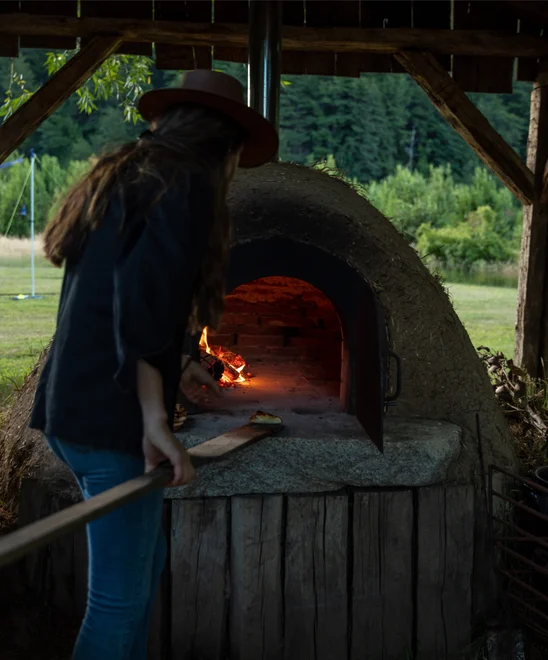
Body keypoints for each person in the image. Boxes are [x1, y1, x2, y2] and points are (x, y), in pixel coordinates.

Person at [29, 70, 278, 660]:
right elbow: (140, 305)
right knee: (116, 602)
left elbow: (119, 300)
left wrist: (180, 365)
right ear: (227, 145)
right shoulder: (187, 181)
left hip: (71, 407)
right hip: (112, 422)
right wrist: (154, 420)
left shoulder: (126, 175)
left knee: (142, 570)